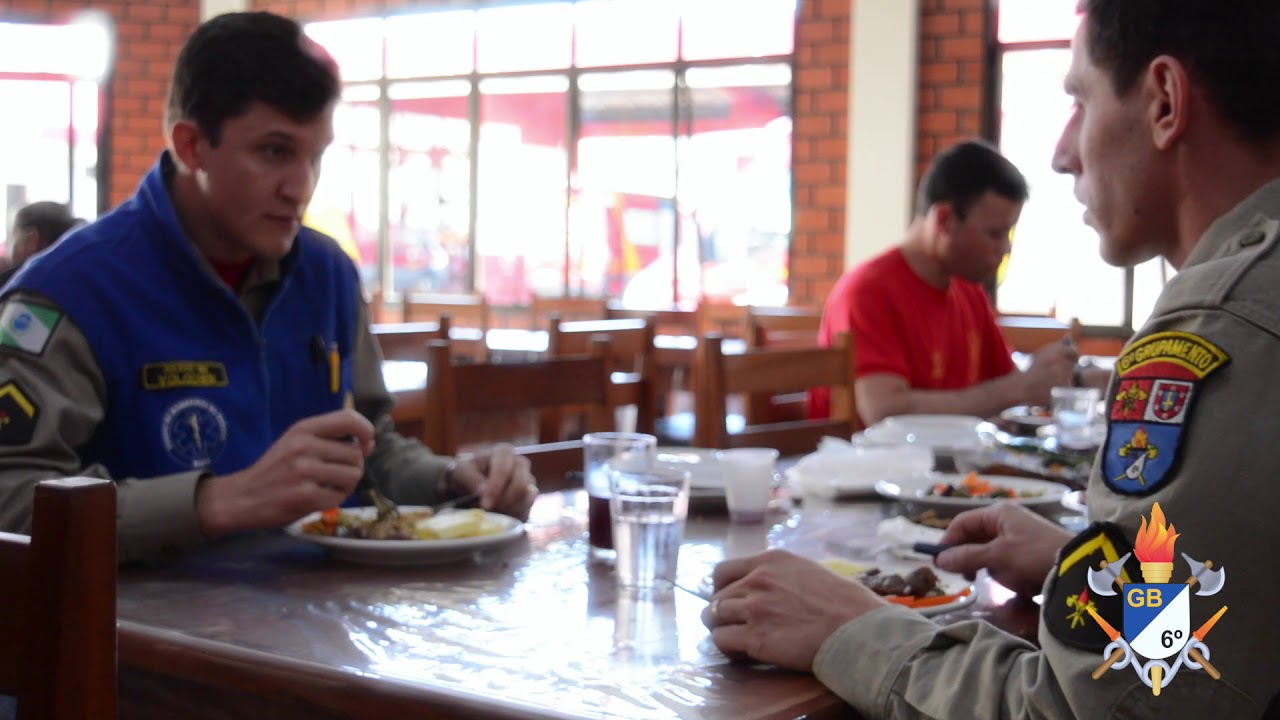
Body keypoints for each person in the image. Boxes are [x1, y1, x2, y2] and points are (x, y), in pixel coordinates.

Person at [705, 1, 1280, 717]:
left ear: (1165, 101)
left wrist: (849, 627)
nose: (1063, 151)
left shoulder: (1224, 328)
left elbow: (1092, 706)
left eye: (1079, 100)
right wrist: (1086, 567)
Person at [0, 12, 536, 563]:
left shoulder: (326, 272)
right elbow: (9, 498)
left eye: (316, 155)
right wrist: (211, 503)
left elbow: (370, 451)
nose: (300, 187)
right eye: (275, 152)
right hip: (131, 640)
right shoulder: (68, 294)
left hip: (317, 628)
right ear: (192, 147)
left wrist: (452, 480)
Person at [811, 140, 1079, 426]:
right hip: (869, 467)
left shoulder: (968, 291)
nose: (1005, 249)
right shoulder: (868, 292)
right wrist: (1020, 388)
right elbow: (883, 412)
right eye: (996, 233)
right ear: (944, 220)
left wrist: (1059, 377)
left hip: (951, 467)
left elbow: (1006, 384)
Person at [0, 201, 81, 286]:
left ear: (32, 239)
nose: (12, 248)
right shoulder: (83, 278)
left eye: (15, 238)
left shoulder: (15, 288)